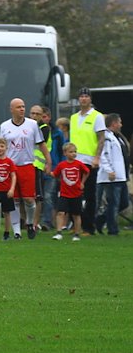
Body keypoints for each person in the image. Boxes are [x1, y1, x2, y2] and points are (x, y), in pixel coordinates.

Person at [0, 98, 51, 240]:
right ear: (12, 109)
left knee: (29, 199)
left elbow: (41, 144)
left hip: (27, 165)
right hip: (11, 167)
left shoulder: (32, 125)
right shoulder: (4, 126)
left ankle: (29, 223)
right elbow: (1, 146)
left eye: (23, 107)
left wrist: (48, 161)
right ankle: (17, 232)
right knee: (14, 199)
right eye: (18, 107)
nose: (22, 109)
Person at [69, 88, 105, 235]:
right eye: (81, 96)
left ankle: (88, 227)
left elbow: (101, 138)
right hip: (74, 160)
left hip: (89, 161)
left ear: (90, 99)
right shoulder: (74, 117)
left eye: (86, 96)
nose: (83, 99)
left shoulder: (97, 116)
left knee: (89, 195)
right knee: (72, 194)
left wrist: (97, 157)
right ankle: (76, 224)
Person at [95, 114, 127, 236]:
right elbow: (104, 155)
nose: (121, 125)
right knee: (113, 203)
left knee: (124, 202)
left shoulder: (116, 137)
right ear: (113, 123)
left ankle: (101, 219)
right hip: (112, 177)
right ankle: (112, 229)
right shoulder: (107, 137)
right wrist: (109, 170)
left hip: (120, 175)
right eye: (119, 122)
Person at [52, 143, 90, 241]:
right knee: (60, 212)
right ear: (65, 153)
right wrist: (49, 172)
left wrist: (82, 182)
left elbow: (86, 171)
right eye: (71, 152)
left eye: (75, 152)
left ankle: (77, 233)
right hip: (64, 193)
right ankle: (59, 232)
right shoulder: (61, 165)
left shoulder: (78, 164)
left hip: (76, 193)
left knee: (76, 214)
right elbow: (55, 174)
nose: (73, 154)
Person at [29, 104, 53, 231]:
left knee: (38, 196)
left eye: (37, 114)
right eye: (32, 113)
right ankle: (26, 221)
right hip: (26, 164)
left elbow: (36, 142)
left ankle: (35, 223)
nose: (34, 116)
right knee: (24, 196)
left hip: (37, 165)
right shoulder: (26, 126)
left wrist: (48, 163)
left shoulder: (44, 128)